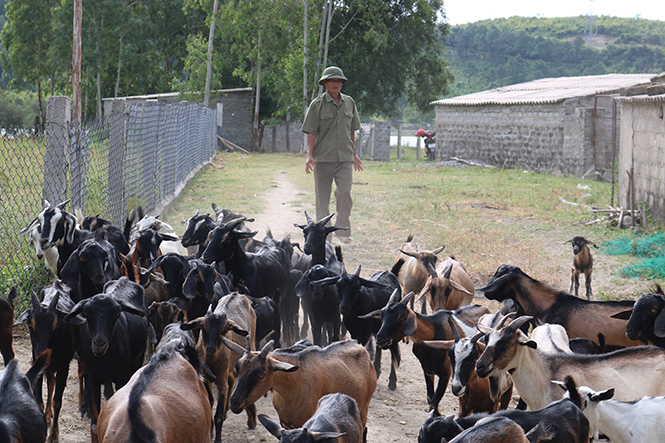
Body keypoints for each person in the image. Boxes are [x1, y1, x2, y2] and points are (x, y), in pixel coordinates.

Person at [301, 66, 363, 244]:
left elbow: (352, 131)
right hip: (323, 159)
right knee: (322, 199)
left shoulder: (349, 102)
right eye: (332, 81)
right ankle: (323, 236)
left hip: (344, 158)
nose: (336, 84)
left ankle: (343, 231)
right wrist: (309, 155)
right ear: (325, 83)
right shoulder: (317, 104)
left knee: (344, 193)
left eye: (339, 81)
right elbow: (311, 131)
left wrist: (354, 154)